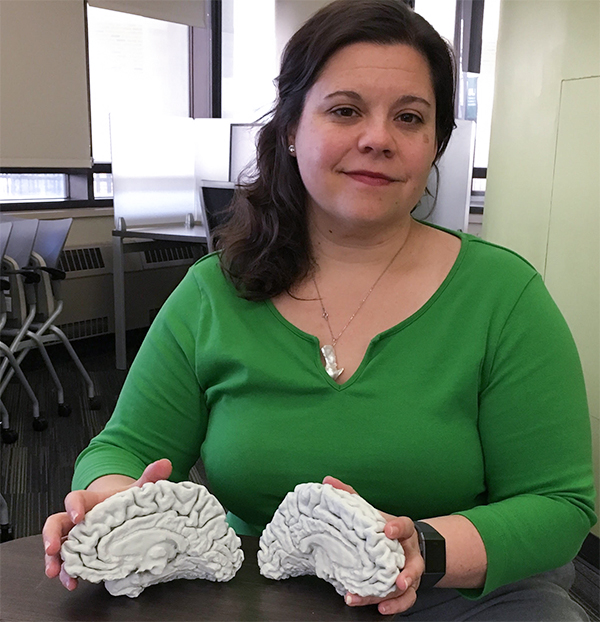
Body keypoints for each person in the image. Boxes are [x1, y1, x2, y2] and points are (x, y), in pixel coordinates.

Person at [43, 0, 596, 618]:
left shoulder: (503, 295)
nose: (378, 138)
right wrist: (114, 505)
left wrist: (422, 551)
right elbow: (124, 448)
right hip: (264, 590)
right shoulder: (213, 292)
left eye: (409, 118)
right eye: (345, 110)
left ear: (434, 143)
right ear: (290, 129)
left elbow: (557, 504)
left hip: (453, 594)